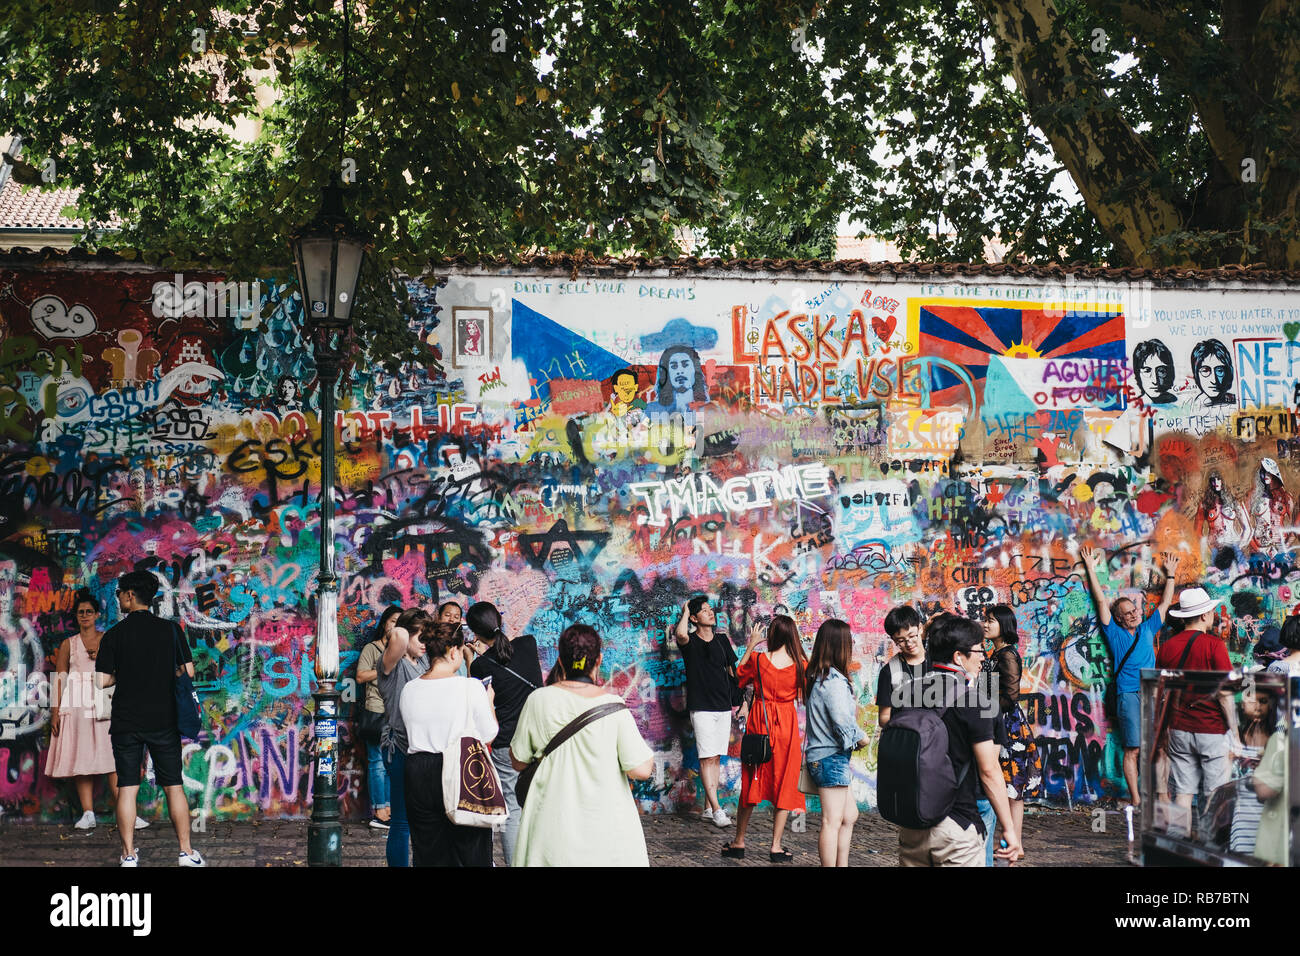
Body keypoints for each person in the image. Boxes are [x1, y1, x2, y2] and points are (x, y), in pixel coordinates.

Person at [509, 624, 654, 866]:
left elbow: (518, 761)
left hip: (551, 829)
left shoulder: (538, 700)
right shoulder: (614, 706)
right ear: (598, 660)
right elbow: (641, 770)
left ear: (561, 660)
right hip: (606, 831)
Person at [93, 571, 205, 867]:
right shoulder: (170, 630)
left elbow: (101, 681)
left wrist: (123, 675)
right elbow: (189, 672)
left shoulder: (114, 635)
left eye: (119, 592)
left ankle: (129, 856)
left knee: (127, 788)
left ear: (130, 595)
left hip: (126, 722)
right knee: (173, 786)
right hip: (164, 720)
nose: (118, 597)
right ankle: (186, 853)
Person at [895, 613, 1022, 867]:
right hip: (956, 826)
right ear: (958, 657)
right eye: (977, 651)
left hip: (911, 824)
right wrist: (1009, 828)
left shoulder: (906, 693)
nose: (982, 657)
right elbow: (989, 770)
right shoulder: (979, 702)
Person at [1080, 545, 1179, 809]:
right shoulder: (1115, 634)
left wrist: (1171, 574)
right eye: (1127, 613)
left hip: (1152, 693)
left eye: (1134, 609)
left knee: (1159, 747)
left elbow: (1166, 602)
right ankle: (1136, 798)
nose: (1134, 613)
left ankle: (1162, 796)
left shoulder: (1148, 627)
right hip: (1128, 695)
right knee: (1133, 749)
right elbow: (1101, 601)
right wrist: (1091, 568)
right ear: (1119, 619)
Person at [399, 619, 497, 866]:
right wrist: (490, 702)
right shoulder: (471, 687)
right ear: (454, 650)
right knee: (471, 847)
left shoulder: (409, 689)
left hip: (417, 771)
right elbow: (489, 734)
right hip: (461, 768)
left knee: (428, 849)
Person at [46, 591, 144, 831]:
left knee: (112, 758)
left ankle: (128, 811)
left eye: (89, 611)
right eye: (81, 612)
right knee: (81, 757)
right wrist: (56, 712)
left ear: (97, 614)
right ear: (76, 617)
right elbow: (59, 679)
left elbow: (124, 667)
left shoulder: (108, 638)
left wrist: (102, 657)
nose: (85, 616)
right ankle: (88, 813)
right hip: (77, 705)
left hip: (104, 703)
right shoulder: (68, 644)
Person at [1154, 587, 1239, 839]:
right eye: (1211, 611)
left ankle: (1178, 844)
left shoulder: (1168, 646)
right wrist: (1234, 731)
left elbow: (1161, 690)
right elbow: (1225, 693)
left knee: (1183, 792)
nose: (1213, 615)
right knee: (1214, 793)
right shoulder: (1214, 645)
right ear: (1204, 616)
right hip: (1212, 729)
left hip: (1178, 728)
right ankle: (1211, 846)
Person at [722, 614, 806, 863]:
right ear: (792, 636)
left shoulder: (759, 660)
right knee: (785, 782)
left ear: (772, 635)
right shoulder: (800, 663)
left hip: (761, 722)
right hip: (787, 726)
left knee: (752, 779)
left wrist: (752, 644)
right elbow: (813, 677)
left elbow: (738, 675)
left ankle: (739, 842)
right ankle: (776, 847)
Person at [464, 601, 543, 864]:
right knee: (540, 805)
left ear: (475, 634)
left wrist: (473, 661)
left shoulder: (479, 667)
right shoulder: (529, 644)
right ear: (500, 619)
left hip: (506, 745)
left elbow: (477, 703)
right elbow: (509, 651)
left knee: (513, 809)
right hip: (539, 739)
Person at [803, 618, 866, 867]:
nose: (851, 645)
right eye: (849, 641)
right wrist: (860, 738)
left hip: (829, 757)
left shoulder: (822, 677)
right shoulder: (833, 681)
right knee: (832, 820)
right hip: (830, 758)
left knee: (849, 815)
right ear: (840, 645)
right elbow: (841, 720)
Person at [672, 595, 738, 827]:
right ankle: (717, 808)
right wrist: (684, 611)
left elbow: (732, 673)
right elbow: (679, 634)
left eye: (711, 610)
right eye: (705, 610)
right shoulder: (690, 642)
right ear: (694, 618)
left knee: (716, 756)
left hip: (722, 706)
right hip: (701, 707)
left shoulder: (722, 640)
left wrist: (739, 701)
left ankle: (709, 808)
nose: (711, 613)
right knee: (707, 756)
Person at [980, 605, 1043, 853]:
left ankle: (1015, 843)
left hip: (1008, 727)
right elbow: (985, 691)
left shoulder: (1007, 655)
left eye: (991, 621)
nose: (985, 624)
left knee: (1014, 787)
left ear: (1004, 626)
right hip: (995, 721)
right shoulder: (993, 654)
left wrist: (986, 708)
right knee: (1006, 784)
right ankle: (1011, 841)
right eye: (985, 620)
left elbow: (1011, 696)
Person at [375, 607, 430, 866]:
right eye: (421, 638)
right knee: (401, 822)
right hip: (399, 749)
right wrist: (409, 628)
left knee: (424, 821)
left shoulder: (425, 662)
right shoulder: (391, 665)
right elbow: (397, 635)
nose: (425, 644)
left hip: (424, 749)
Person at [355, 605, 400, 829]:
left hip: (397, 714)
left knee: (392, 763)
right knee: (377, 763)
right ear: (384, 624)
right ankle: (379, 811)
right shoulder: (372, 649)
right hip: (376, 711)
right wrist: (385, 669)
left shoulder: (404, 651)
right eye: (393, 621)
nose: (395, 626)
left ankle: (389, 809)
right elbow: (361, 676)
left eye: (400, 623)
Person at [876, 604, 928, 727]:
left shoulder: (938, 661)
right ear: (894, 640)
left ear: (920, 628)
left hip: (939, 738)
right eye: (901, 640)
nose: (909, 643)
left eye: (911, 636)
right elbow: (883, 718)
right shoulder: (889, 672)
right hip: (909, 739)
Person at [1250, 458, 1294, 553]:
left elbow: (1294, 525)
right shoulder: (1253, 498)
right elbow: (1248, 528)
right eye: (1264, 472)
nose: (1266, 475)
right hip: (1259, 546)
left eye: (1269, 472)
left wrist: (1286, 547)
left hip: (1280, 545)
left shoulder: (1286, 497)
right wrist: (1257, 549)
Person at [1196, 471, 1249, 548]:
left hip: (1232, 545)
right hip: (1215, 548)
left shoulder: (1233, 501)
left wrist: (1239, 546)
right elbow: (1197, 531)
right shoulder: (1204, 504)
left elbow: (1246, 527)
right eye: (1213, 480)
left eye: (1218, 479)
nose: (1216, 482)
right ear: (1210, 483)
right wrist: (1207, 548)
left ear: (1222, 482)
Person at [653, 345, 708, 415]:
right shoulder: (653, 410)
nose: (679, 371)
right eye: (674, 366)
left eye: (685, 365)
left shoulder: (709, 410)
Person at [1188, 338, 1236, 407]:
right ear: (1196, 375)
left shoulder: (1234, 402)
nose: (1213, 380)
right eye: (1205, 371)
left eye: (1219, 371)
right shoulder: (1194, 406)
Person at [1132, 339, 1176, 404]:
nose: (1155, 381)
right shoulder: (1134, 408)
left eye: (1161, 371)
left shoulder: (1175, 404)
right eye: (1147, 371)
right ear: (1138, 373)